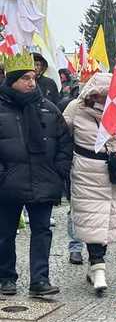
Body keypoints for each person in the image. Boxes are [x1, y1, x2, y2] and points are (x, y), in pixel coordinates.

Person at [0, 52, 72, 296]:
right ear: (12, 81)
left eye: (33, 77)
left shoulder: (48, 109)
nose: (32, 82)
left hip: (44, 180)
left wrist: (58, 172)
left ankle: (40, 280)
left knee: (42, 232)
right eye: (25, 78)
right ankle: (6, 278)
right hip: (9, 183)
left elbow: (65, 143)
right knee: (5, 233)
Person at [63, 73, 116, 295]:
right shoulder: (76, 108)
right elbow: (63, 136)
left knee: (107, 220)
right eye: (98, 95)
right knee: (92, 218)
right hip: (86, 172)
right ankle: (98, 265)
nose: (102, 99)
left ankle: (96, 264)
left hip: (115, 173)